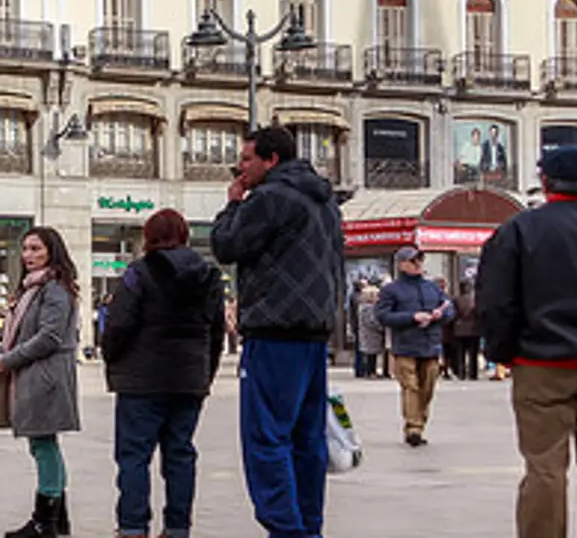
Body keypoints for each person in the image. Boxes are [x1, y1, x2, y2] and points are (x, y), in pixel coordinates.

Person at [211, 125, 344, 538]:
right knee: (308, 440)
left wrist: (232, 205)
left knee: (267, 438)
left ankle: (286, 530)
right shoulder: (325, 203)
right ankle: (309, 525)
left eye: (247, 159)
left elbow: (226, 246)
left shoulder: (269, 197)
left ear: (271, 160)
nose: (239, 166)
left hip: (274, 329)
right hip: (314, 333)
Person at [479, 145, 577, 538]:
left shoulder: (519, 229)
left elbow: (496, 300)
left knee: (544, 467)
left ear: (546, 180)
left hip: (542, 363)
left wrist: (503, 352)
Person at [101, 209, 224, 538]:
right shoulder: (209, 276)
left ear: (149, 237)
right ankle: (178, 527)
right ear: (184, 235)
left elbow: (119, 323)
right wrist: (204, 374)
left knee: (133, 456)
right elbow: (216, 332)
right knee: (181, 454)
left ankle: (132, 527)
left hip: (142, 380)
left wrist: (111, 358)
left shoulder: (138, 273)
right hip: (188, 379)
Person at [0, 226, 82, 538]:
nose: (29, 255)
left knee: (44, 446)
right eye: (26, 249)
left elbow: (50, 336)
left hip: (46, 377)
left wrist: (10, 358)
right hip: (36, 375)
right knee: (44, 446)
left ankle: (45, 521)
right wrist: (2, 348)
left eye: (36, 249)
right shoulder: (35, 287)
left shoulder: (53, 288)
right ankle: (57, 519)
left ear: (52, 251)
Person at [375, 245, 456, 447]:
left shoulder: (432, 288)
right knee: (410, 387)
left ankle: (419, 422)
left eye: (419, 259)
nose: (418, 263)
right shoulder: (391, 290)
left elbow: (449, 309)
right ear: (402, 265)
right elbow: (382, 316)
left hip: (431, 345)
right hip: (405, 347)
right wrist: (412, 317)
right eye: (412, 261)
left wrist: (441, 315)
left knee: (427, 388)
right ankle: (414, 428)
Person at [452, 279, 483, 382]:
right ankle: (473, 373)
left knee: (460, 353)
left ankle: (461, 373)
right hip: (474, 329)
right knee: (473, 353)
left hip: (459, 329)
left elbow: (453, 314)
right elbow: (479, 314)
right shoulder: (476, 300)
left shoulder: (456, 299)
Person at [355, 281, 387, 380]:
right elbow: (371, 321)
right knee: (371, 355)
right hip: (371, 334)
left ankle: (371, 371)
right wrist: (380, 327)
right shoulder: (368, 308)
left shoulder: (363, 306)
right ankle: (370, 372)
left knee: (371, 354)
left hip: (368, 333)